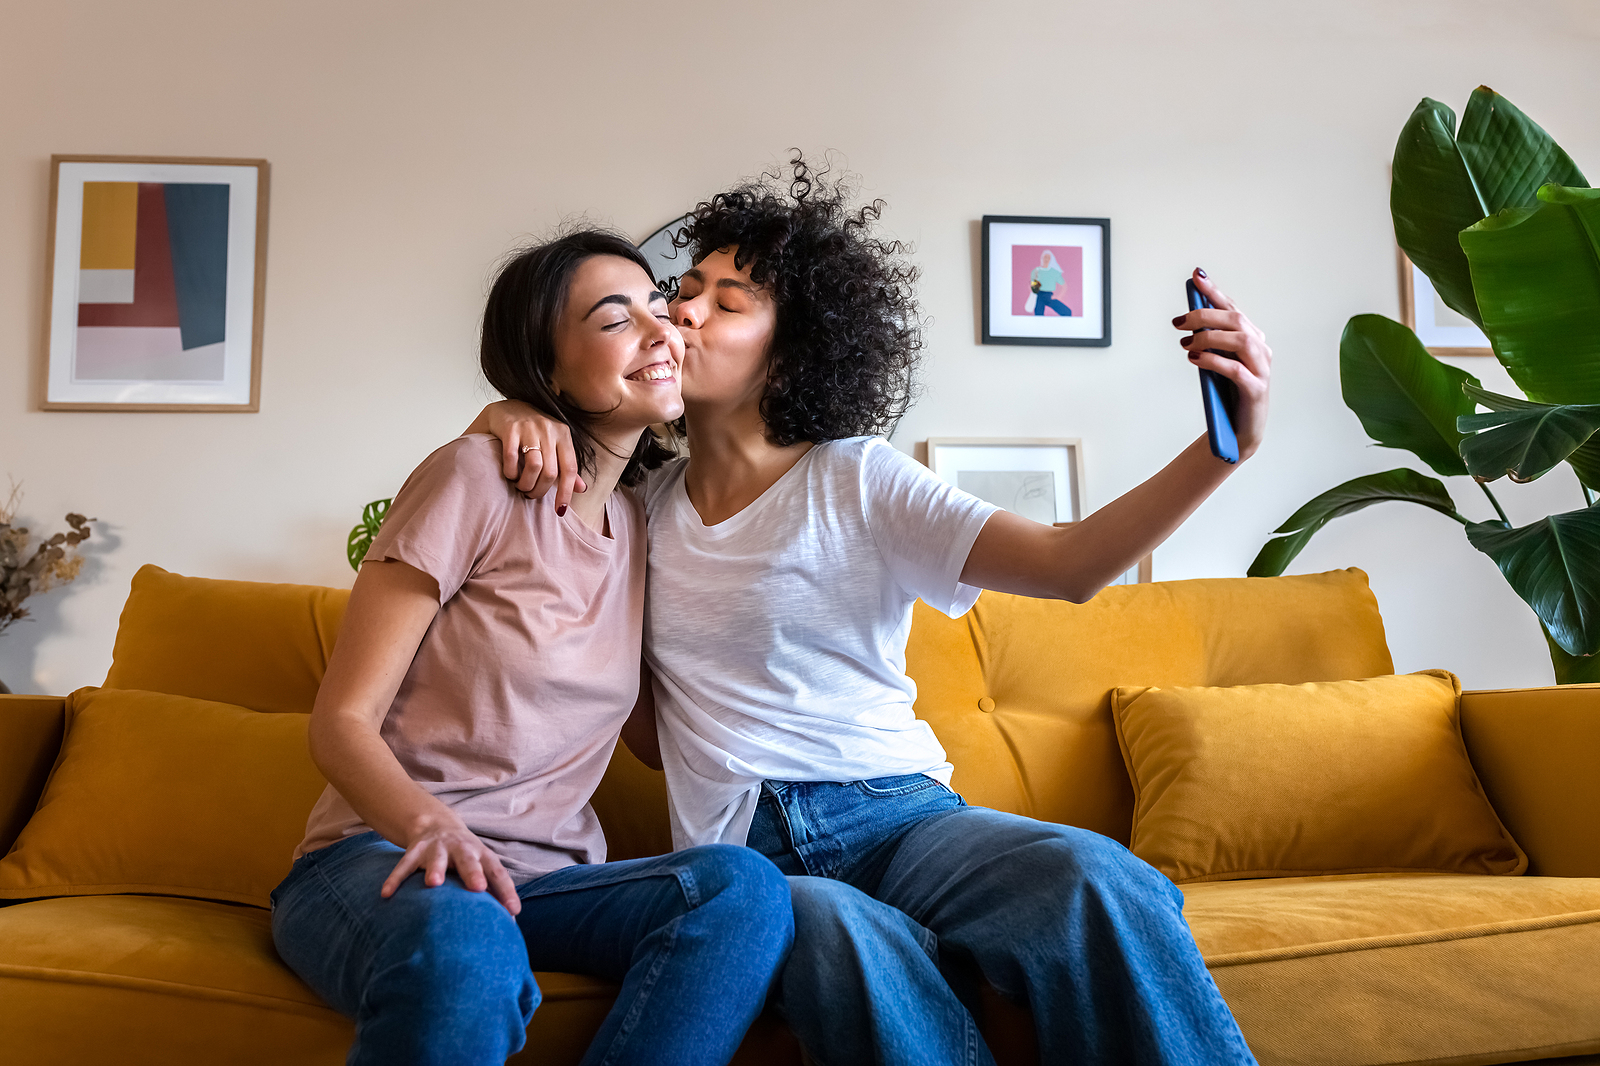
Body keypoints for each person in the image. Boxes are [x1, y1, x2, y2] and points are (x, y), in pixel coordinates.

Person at [465, 158, 1270, 1066]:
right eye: (683, 290)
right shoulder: (634, 510)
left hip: (901, 818)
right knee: (834, 930)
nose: (681, 313)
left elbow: (1070, 564)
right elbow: (635, 718)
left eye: (727, 303)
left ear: (791, 345)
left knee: (1094, 876)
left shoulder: (856, 477)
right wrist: (506, 413)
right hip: (750, 855)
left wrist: (1221, 450)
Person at [271, 230, 793, 1066]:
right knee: (462, 937)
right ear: (547, 370)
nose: (662, 331)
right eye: (615, 320)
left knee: (739, 893)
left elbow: (657, 744)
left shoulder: (642, 523)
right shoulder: (473, 479)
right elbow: (340, 722)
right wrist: (432, 829)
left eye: (659, 308)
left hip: (548, 886)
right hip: (386, 859)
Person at [1030, 248, 1073, 316]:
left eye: (1048, 257)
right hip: (1039, 296)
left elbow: (1064, 286)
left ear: (1051, 259)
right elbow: (1033, 286)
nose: (1046, 259)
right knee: (1038, 315)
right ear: (1042, 258)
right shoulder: (1036, 271)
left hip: (1049, 296)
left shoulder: (1054, 272)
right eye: (1045, 257)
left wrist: (1059, 296)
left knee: (1067, 312)